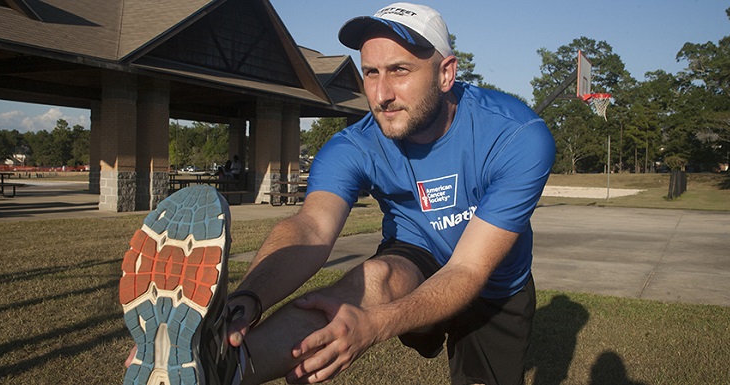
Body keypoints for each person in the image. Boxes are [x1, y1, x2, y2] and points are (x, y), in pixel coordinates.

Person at [121, 3, 554, 384]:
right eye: (371, 72)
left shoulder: (517, 136)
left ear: (445, 73)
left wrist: (373, 325)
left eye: (400, 70)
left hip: (494, 282)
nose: (381, 94)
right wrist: (244, 300)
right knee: (373, 279)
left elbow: (468, 270)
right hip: (417, 252)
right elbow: (311, 228)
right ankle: (218, 366)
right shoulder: (354, 146)